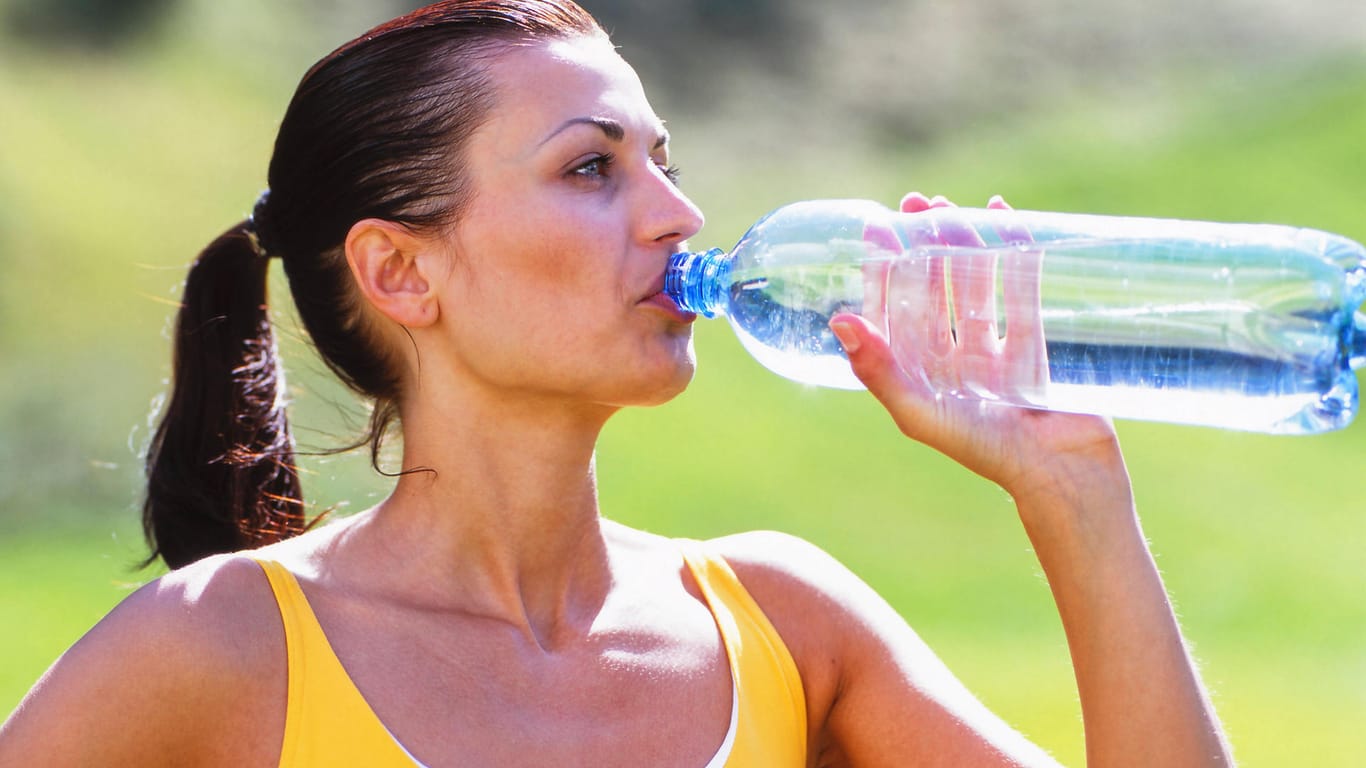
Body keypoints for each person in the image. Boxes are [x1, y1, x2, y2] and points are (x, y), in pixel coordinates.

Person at [0, 1, 1234, 765]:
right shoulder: (215, 650)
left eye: (662, 159)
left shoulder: (782, 627)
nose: (680, 215)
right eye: (591, 170)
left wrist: (1073, 488)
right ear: (400, 271)